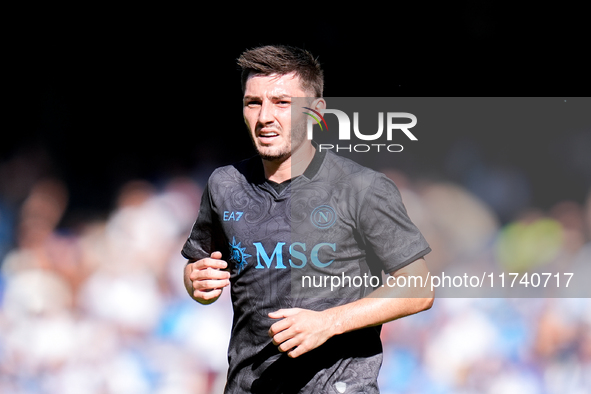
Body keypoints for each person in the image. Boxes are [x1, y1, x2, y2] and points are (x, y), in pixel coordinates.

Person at [182, 45, 434, 394]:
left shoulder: (362, 187)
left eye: (282, 103)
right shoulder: (224, 185)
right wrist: (196, 282)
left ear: (316, 112)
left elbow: (419, 288)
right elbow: (200, 271)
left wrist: (328, 323)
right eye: (253, 102)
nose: (264, 116)